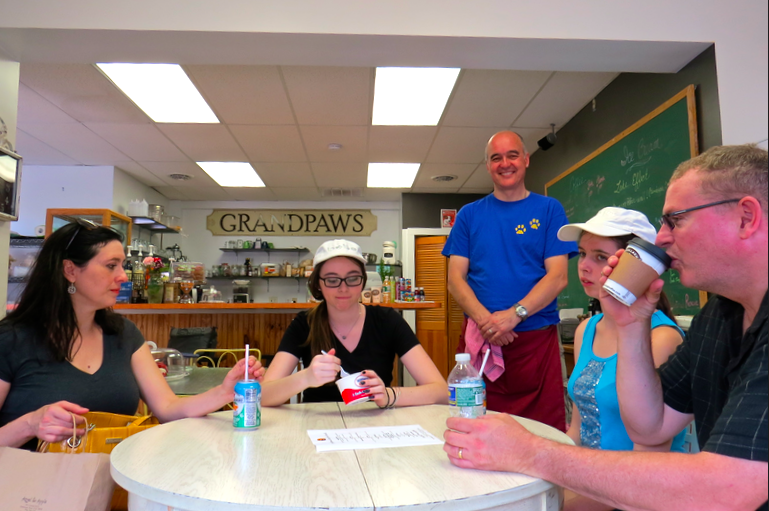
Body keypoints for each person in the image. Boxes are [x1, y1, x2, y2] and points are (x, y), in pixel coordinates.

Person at [443, 144, 768, 511]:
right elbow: (651, 425)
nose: (661, 239)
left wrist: (531, 453)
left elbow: (727, 490)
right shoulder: (719, 316)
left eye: (675, 220)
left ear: (745, 217)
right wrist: (631, 326)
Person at [0, 220, 264, 450]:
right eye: (111, 266)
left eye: (122, 265)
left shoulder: (123, 334)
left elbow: (168, 409)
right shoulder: (10, 340)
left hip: (110, 490)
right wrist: (30, 424)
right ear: (70, 270)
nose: (123, 277)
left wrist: (225, 391)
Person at [442, 130, 577, 430]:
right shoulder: (468, 215)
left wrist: (513, 316)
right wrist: (488, 322)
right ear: (488, 166)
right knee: (478, 425)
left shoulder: (549, 210)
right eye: (496, 158)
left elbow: (557, 277)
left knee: (546, 433)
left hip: (536, 341)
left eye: (512, 155)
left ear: (526, 159)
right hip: (482, 340)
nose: (505, 163)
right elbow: (455, 280)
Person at [557, 207, 687, 510]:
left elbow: (649, 460)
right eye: (582, 254)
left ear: (639, 266)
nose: (584, 267)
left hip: (640, 494)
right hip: (590, 480)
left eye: (601, 257)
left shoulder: (662, 339)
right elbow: (578, 429)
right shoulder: (586, 330)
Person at [261, 239, 447, 407]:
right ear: (318, 284)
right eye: (332, 280)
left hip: (376, 429)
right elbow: (262, 396)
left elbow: (441, 391)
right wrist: (305, 378)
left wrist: (388, 395)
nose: (343, 288)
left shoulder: (387, 321)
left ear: (363, 281)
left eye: (352, 278)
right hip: (318, 430)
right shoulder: (304, 324)